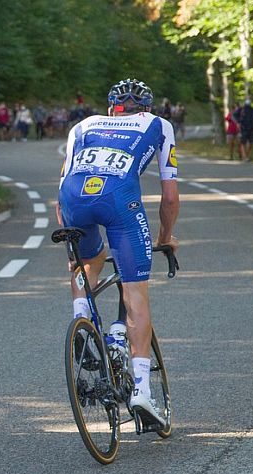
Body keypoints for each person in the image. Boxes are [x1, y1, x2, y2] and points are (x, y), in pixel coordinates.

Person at [56, 79, 179, 430]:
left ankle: (82, 322)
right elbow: (169, 196)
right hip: (119, 203)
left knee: (86, 263)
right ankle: (141, 388)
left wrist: (72, 250)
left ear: (111, 109)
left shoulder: (83, 126)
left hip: (73, 201)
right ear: (148, 108)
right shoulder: (158, 125)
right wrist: (166, 237)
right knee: (135, 291)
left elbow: (62, 191)